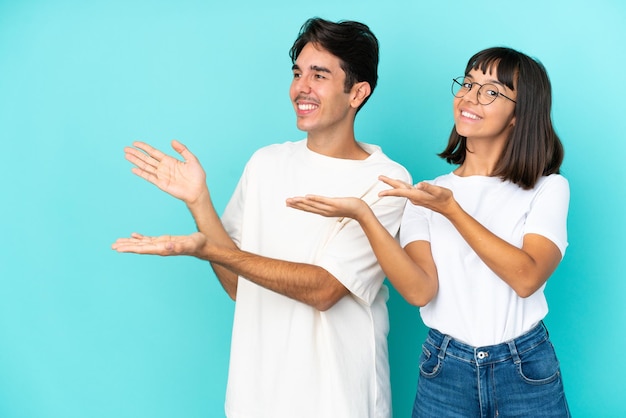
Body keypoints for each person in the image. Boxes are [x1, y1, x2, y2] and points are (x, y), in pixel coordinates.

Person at [112, 17, 411, 418]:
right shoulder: (266, 163)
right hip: (255, 399)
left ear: (357, 92)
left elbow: (325, 290)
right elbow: (239, 285)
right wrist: (200, 203)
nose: (301, 87)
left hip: (339, 401)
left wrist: (209, 250)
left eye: (319, 75)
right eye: (297, 73)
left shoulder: (386, 181)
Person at [287, 46, 571, 417]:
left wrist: (451, 209)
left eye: (491, 91)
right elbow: (421, 291)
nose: (470, 97)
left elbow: (527, 277)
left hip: (524, 368)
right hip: (444, 369)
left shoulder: (547, 188)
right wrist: (364, 216)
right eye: (468, 84)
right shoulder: (425, 194)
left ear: (520, 113)